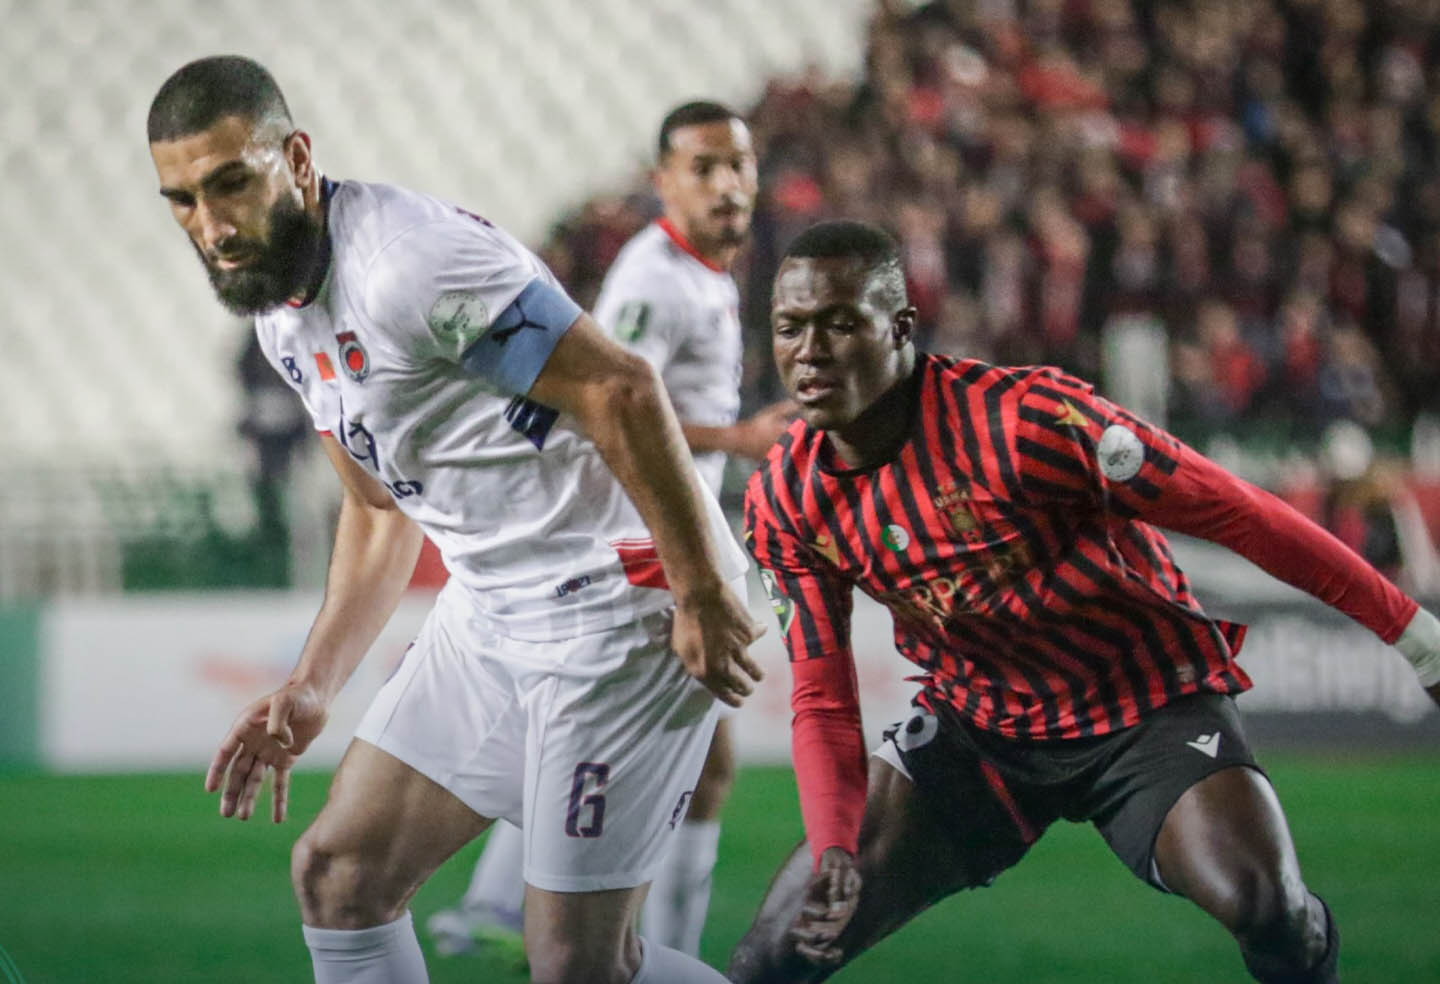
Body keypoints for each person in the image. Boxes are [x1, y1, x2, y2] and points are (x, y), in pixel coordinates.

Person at [147, 55, 767, 984]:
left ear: (298, 160)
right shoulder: (283, 314)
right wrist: (314, 684)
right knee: (338, 877)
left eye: (232, 183)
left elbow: (623, 389)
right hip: (492, 614)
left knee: (577, 962)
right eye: (184, 200)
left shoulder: (408, 265)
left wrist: (703, 587)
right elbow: (376, 508)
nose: (213, 225)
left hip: (617, 606)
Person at [728, 220, 1440, 983]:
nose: (810, 350)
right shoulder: (786, 500)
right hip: (981, 724)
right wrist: (835, 842)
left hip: (1144, 703)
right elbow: (824, 699)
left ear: (900, 327)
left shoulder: (1028, 422)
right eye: (791, 327)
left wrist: (1412, 631)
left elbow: (1237, 513)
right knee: (774, 954)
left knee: (1269, 910)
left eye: (840, 323)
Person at [428, 101, 794, 959]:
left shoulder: (704, 274)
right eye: (703, 167)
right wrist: (739, 439)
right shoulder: (654, 279)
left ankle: (502, 906)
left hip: (669, 541)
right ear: (663, 180)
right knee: (692, 763)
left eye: (738, 164)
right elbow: (607, 411)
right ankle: (652, 953)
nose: (726, 183)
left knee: (659, 754)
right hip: (646, 547)